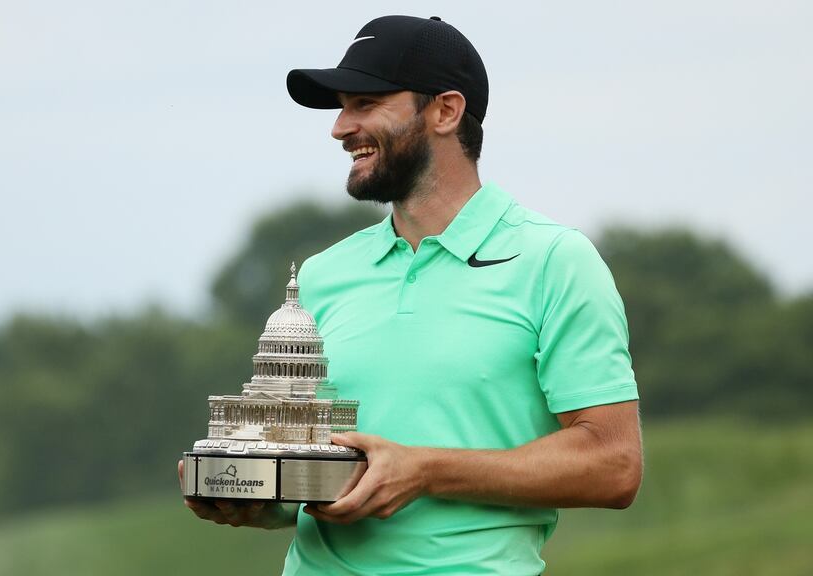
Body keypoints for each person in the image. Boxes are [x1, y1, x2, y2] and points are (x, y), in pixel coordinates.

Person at [182, 14, 642, 575]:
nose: (340, 127)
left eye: (365, 103)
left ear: (446, 111)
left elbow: (614, 464)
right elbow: (320, 471)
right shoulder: (325, 274)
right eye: (341, 107)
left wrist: (423, 469)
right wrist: (253, 494)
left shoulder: (555, 262)